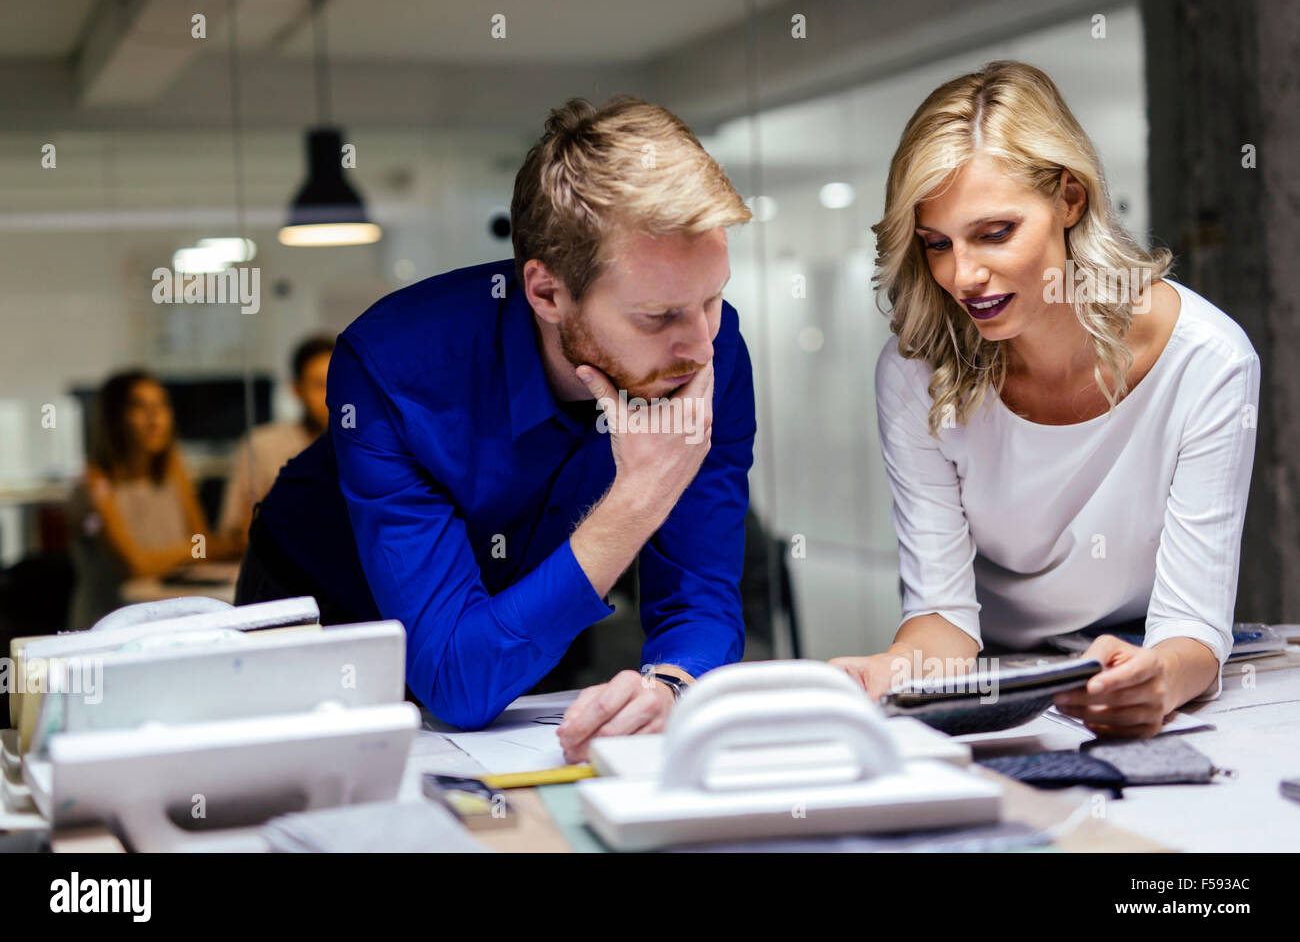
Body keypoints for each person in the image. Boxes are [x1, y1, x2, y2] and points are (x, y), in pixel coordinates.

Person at [236, 95, 756, 756]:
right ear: (545, 293)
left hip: (524, 604)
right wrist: (634, 503)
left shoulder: (710, 350)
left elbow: (699, 593)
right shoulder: (394, 370)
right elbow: (453, 683)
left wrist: (674, 686)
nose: (702, 344)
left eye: (713, 297)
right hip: (325, 606)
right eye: (659, 316)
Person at [831, 61, 1259, 738]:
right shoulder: (915, 371)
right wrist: (888, 669)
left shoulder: (1208, 361)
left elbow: (1191, 629)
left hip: (1135, 653)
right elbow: (943, 616)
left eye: (994, 233)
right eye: (937, 244)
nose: (962, 276)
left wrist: (1158, 679)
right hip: (998, 677)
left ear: (1070, 198)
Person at [68, 370, 241, 629]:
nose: (154, 418)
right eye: (140, 407)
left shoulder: (173, 475)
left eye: (161, 406)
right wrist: (189, 551)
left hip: (169, 618)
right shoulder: (95, 485)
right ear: (114, 419)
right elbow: (135, 566)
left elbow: (201, 547)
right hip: (110, 626)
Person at [217, 335, 333, 549]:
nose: (331, 396)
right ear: (296, 389)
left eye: (339, 382)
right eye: (319, 385)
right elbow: (233, 532)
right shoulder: (261, 446)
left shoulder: (369, 450)